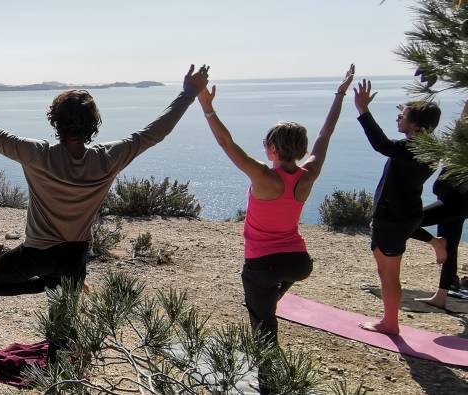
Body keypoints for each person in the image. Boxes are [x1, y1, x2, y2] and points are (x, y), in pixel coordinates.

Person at [0, 59, 208, 358]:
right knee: (64, 326)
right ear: (93, 124)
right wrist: (188, 94)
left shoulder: (37, 154)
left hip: (37, 255)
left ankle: (45, 287)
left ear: (55, 121)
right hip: (75, 257)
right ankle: (66, 367)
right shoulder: (109, 158)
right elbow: (155, 133)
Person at [197, 65, 355, 393]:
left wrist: (207, 106)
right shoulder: (307, 174)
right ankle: (268, 308)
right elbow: (326, 135)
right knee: (267, 303)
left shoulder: (264, 177)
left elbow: (228, 144)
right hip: (299, 263)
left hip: (262, 266)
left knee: (264, 325)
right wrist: (340, 94)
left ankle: (270, 386)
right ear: (299, 149)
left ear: (272, 149)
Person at [353, 80, 442, 335]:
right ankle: (437, 242)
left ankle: (390, 323)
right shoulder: (430, 148)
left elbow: (381, 144)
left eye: (402, 116)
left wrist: (363, 110)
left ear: (415, 125)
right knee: (389, 271)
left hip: (392, 218)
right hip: (407, 213)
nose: (397, 118)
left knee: (388, 274)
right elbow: (404, 139)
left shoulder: (410, 149)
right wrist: (413, 112)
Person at [409, 167, 468, 309]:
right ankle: (440, 297)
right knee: (450, 248)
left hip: (453, 203)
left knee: (406, 222)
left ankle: (435, 242)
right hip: (455, 203)